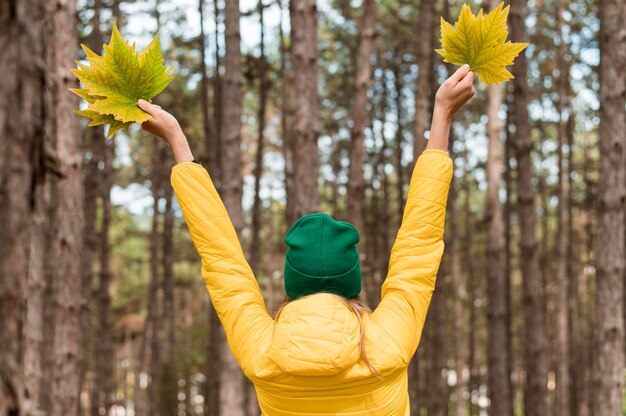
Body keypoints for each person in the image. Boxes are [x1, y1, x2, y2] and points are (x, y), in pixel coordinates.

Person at [138, 64, 475, 415]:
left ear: (292, 282)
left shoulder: (263, 352)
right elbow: (418, 245)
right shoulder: (388, 344)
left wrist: (178, 142)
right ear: (352, 281)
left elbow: (222, 260)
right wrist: (442, 116)